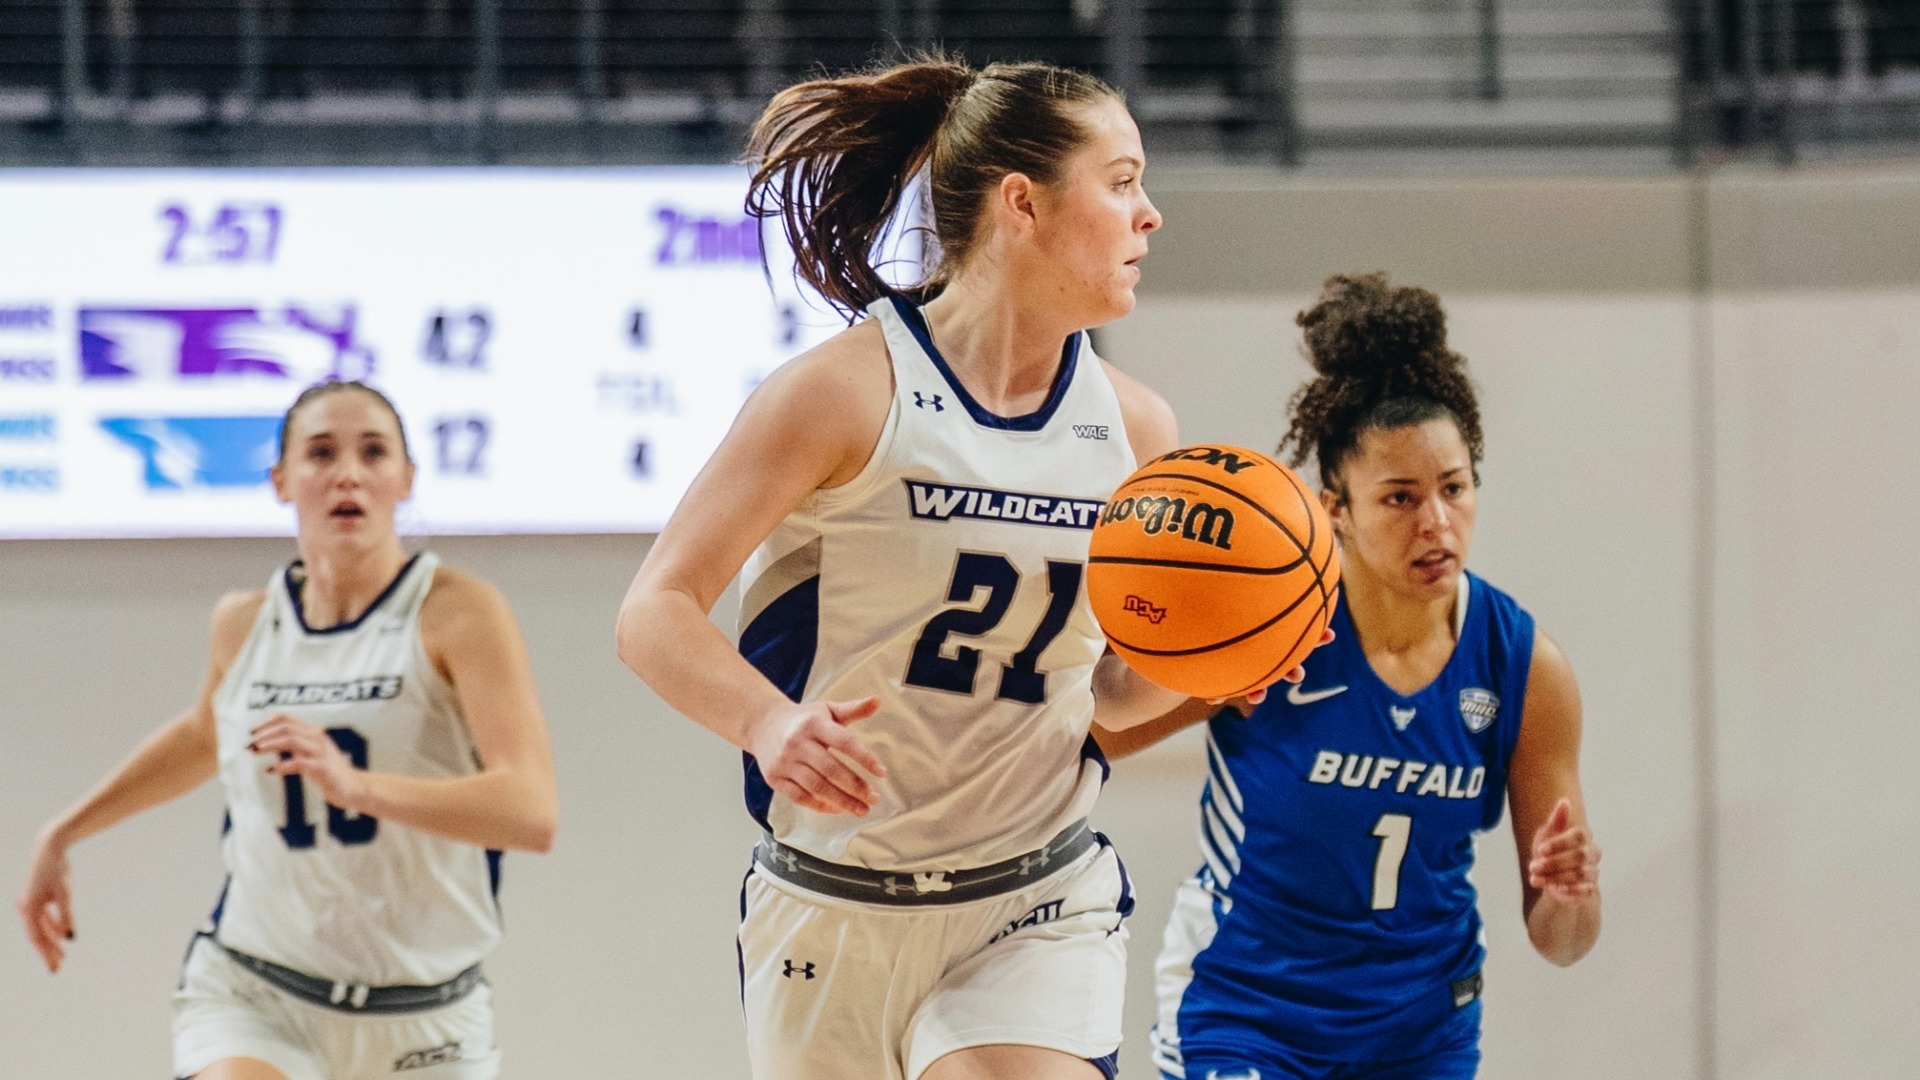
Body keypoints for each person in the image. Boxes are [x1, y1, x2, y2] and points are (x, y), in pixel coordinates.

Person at [615, 54, 1315, 1080]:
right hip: (833, 904)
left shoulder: (1136, 428)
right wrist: (768, 722)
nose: (1151, 214)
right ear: (1023, 203)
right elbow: (654, 611)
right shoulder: (843, 394)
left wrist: (1223, 665)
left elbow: (1111, 700)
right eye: (1121, 182)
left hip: (1035, 901)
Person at [1096, 273, 1603, 1080]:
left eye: (1454, 489)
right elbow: (1098, 736)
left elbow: (1561, 942)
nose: (1436, 522)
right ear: (1336, 509)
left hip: (1421, 1031)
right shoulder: (1272, 619)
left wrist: (1569, 896)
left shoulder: (1521, 664)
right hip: (1249, 1011)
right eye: (1399, 498)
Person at [17, 380, 558, 1080]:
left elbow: (530, 811)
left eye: (372, 452)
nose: (348, 473)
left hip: (425, 1012)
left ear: (405, 478)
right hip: (256, 991)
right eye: (322, 453)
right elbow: (206, 737)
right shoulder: (245, 622)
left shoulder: (457, 612)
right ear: (281, 480)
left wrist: (356, 785)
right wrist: (62, 832)